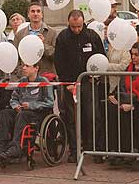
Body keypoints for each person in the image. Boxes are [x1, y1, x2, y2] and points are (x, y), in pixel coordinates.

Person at [54, 9, 105, 163]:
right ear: (69, 24)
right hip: (70, 84)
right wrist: (67, 83)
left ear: (84, 23)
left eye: (79, 27)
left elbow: (101, 57)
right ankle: (74, 151)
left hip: (89, 83)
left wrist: (96, 77)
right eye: (73, 27)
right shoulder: (62, 37)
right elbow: (59, 62)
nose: (76, 30)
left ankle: (96, 150)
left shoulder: (92, 36)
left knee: (92, 116)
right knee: (71, 119)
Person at [107, 42, 139, 165]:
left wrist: (134, 105)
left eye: (136, 55)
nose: (133, 57)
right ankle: (114, 149)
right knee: (112, 109)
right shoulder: (128, 68)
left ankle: (130, 149)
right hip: (125, 101)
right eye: (132, 54)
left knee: (127, 113)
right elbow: (120, 87)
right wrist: (113, 96)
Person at [0, 62, 54, 159]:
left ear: (36, 68)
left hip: (37, 113)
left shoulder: (44, 82)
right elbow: (14, 98)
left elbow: (50, 102)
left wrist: (31, 105)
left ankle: (16, 148)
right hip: (21, 111)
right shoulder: (22, 81)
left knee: (23, 115)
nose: (23, 68)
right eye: (23, 66)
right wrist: (16, 105)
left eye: (27, 66)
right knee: (4, 113)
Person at [13, 2, 58, 78]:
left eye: (38, 11)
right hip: (26, 78)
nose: (35, 14)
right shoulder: (20, 34)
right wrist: (20, 72)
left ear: (42, 15)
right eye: (33, 11)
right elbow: (15, 57)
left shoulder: (52, 33)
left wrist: (43, 45)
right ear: (28, 15)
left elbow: (56, 55)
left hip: (46, 77)